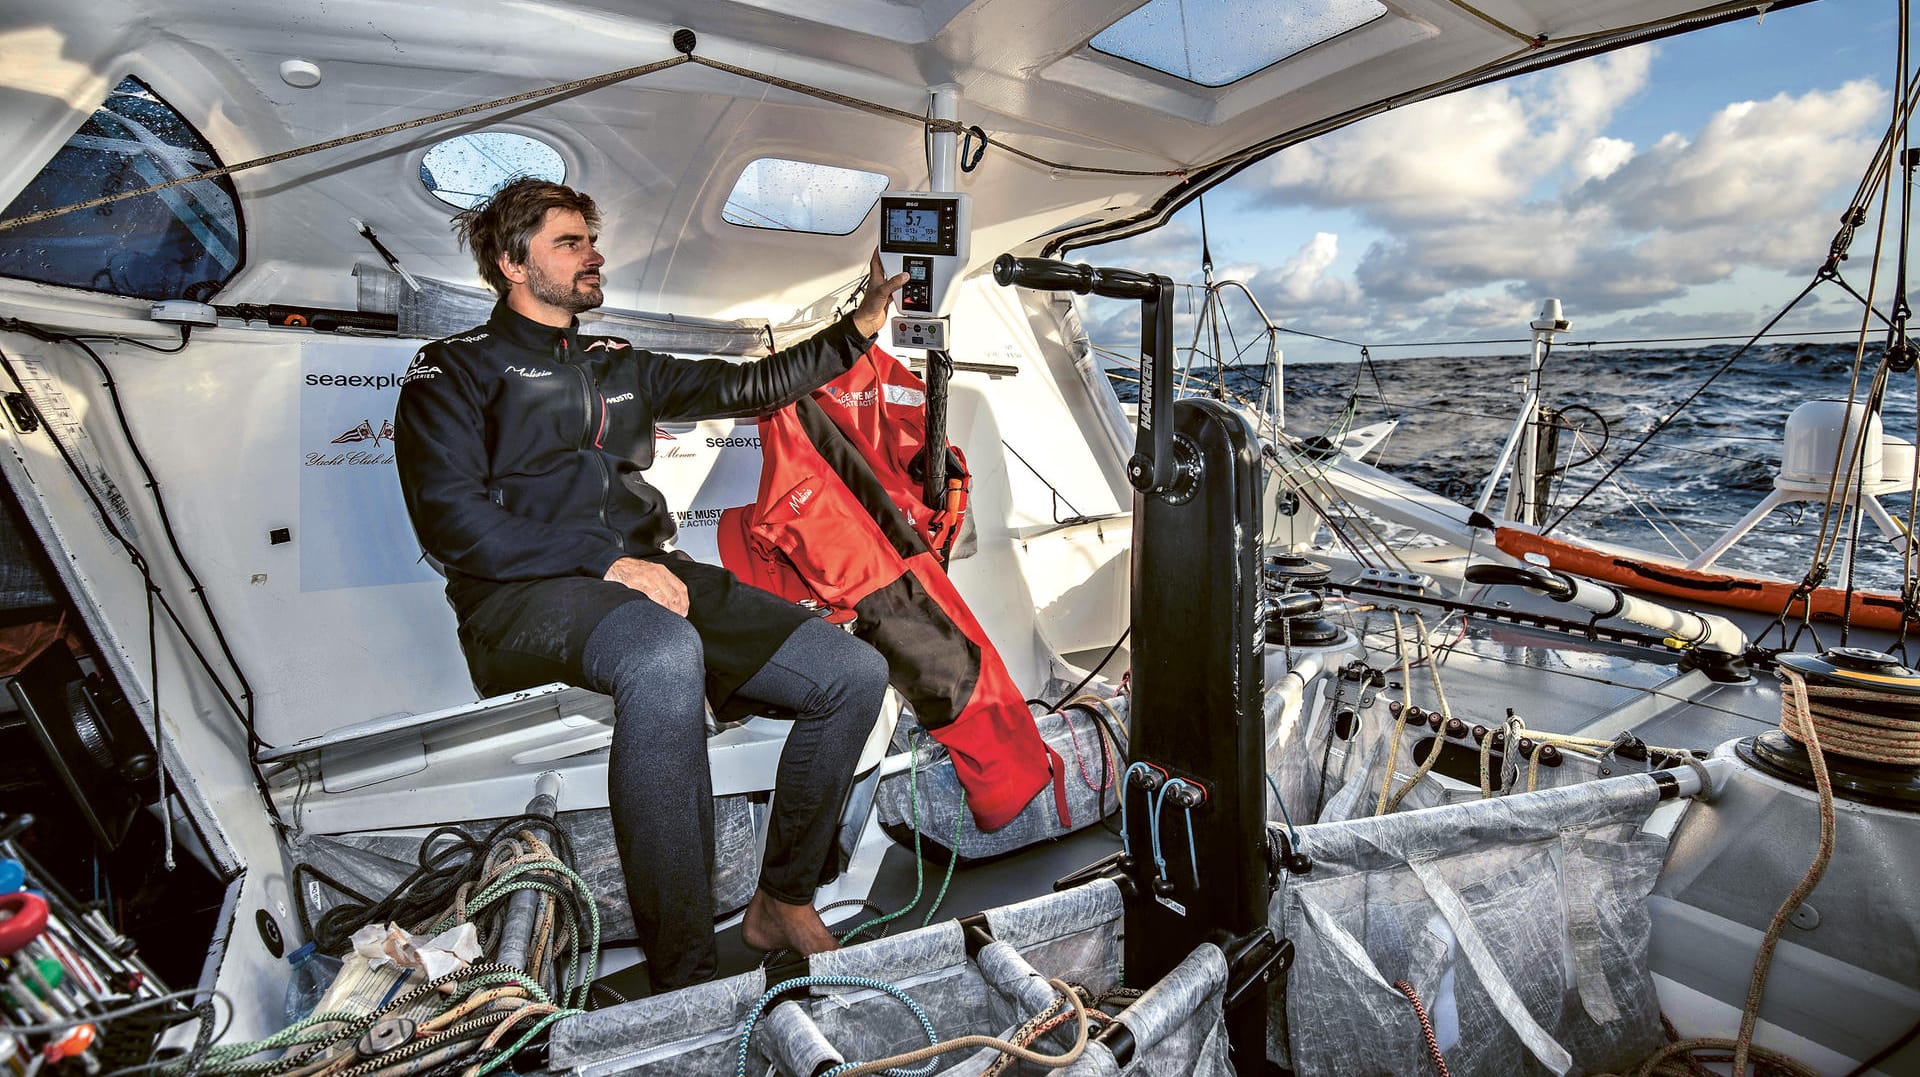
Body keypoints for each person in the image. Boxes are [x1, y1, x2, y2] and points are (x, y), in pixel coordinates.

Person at [394, 177, 910, 990]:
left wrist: (858, 329)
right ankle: (686, 979)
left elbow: (747, 386)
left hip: (644, 574)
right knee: (665, 652)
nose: (591, 254)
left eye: (589, 240)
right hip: (518, 591)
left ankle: (782, 898)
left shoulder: (619, 366)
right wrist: (606, 561)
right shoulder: (454, 369)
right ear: (510, 264)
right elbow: (449, 521)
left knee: (854, 673)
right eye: (568, 243)